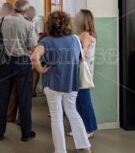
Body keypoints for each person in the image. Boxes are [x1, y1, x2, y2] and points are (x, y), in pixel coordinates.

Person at [31, 11, 91, 153]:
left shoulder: (46, 41)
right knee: (72, 112)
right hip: (71, 83)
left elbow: (34, 57)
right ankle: (85, 146)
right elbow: (82, 58)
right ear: (67, 24)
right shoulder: (75, 39)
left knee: (56, 117)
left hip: (52, 83)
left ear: (50, 25)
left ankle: (60, 150)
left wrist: (41, 70)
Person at [0, 0, 37, 142]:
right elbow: (33, 47)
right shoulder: (29, 25)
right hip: (22, 62)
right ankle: (26, 133)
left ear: (14, 8)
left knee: (2, 98)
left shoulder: (0, 21)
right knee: (24, 98)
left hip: (4, 63)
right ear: (25, 10)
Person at [68, 9, 98, 138]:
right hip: (83, 70)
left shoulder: (85, 35)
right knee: (79, 101)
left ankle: (89, 129)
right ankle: (81, 128)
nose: (75, 18)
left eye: (78, 16)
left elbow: (83, 52)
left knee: (84, 101)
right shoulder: (85, 33)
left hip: (81, 71)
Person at [25, 6, 45, 97]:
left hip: (35, 48)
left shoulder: (38, 20)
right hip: (30, 48)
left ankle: (33, 90)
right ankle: (30, 89)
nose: (25, 14)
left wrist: (34, 45)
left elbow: (40, 34)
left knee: (35, 70)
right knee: (31, 69)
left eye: (27, 12)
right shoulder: (30, 20)